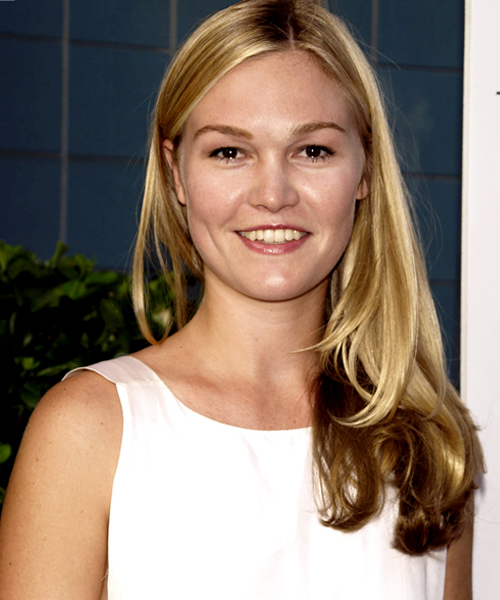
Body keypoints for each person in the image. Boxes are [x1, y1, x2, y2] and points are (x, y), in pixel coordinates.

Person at [0, 1, 483, 598]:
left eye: (313, 150)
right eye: (229, 152)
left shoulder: (426, 441)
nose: (273, 194)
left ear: (364, 171)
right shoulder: (89, 431)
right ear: (176, 173)